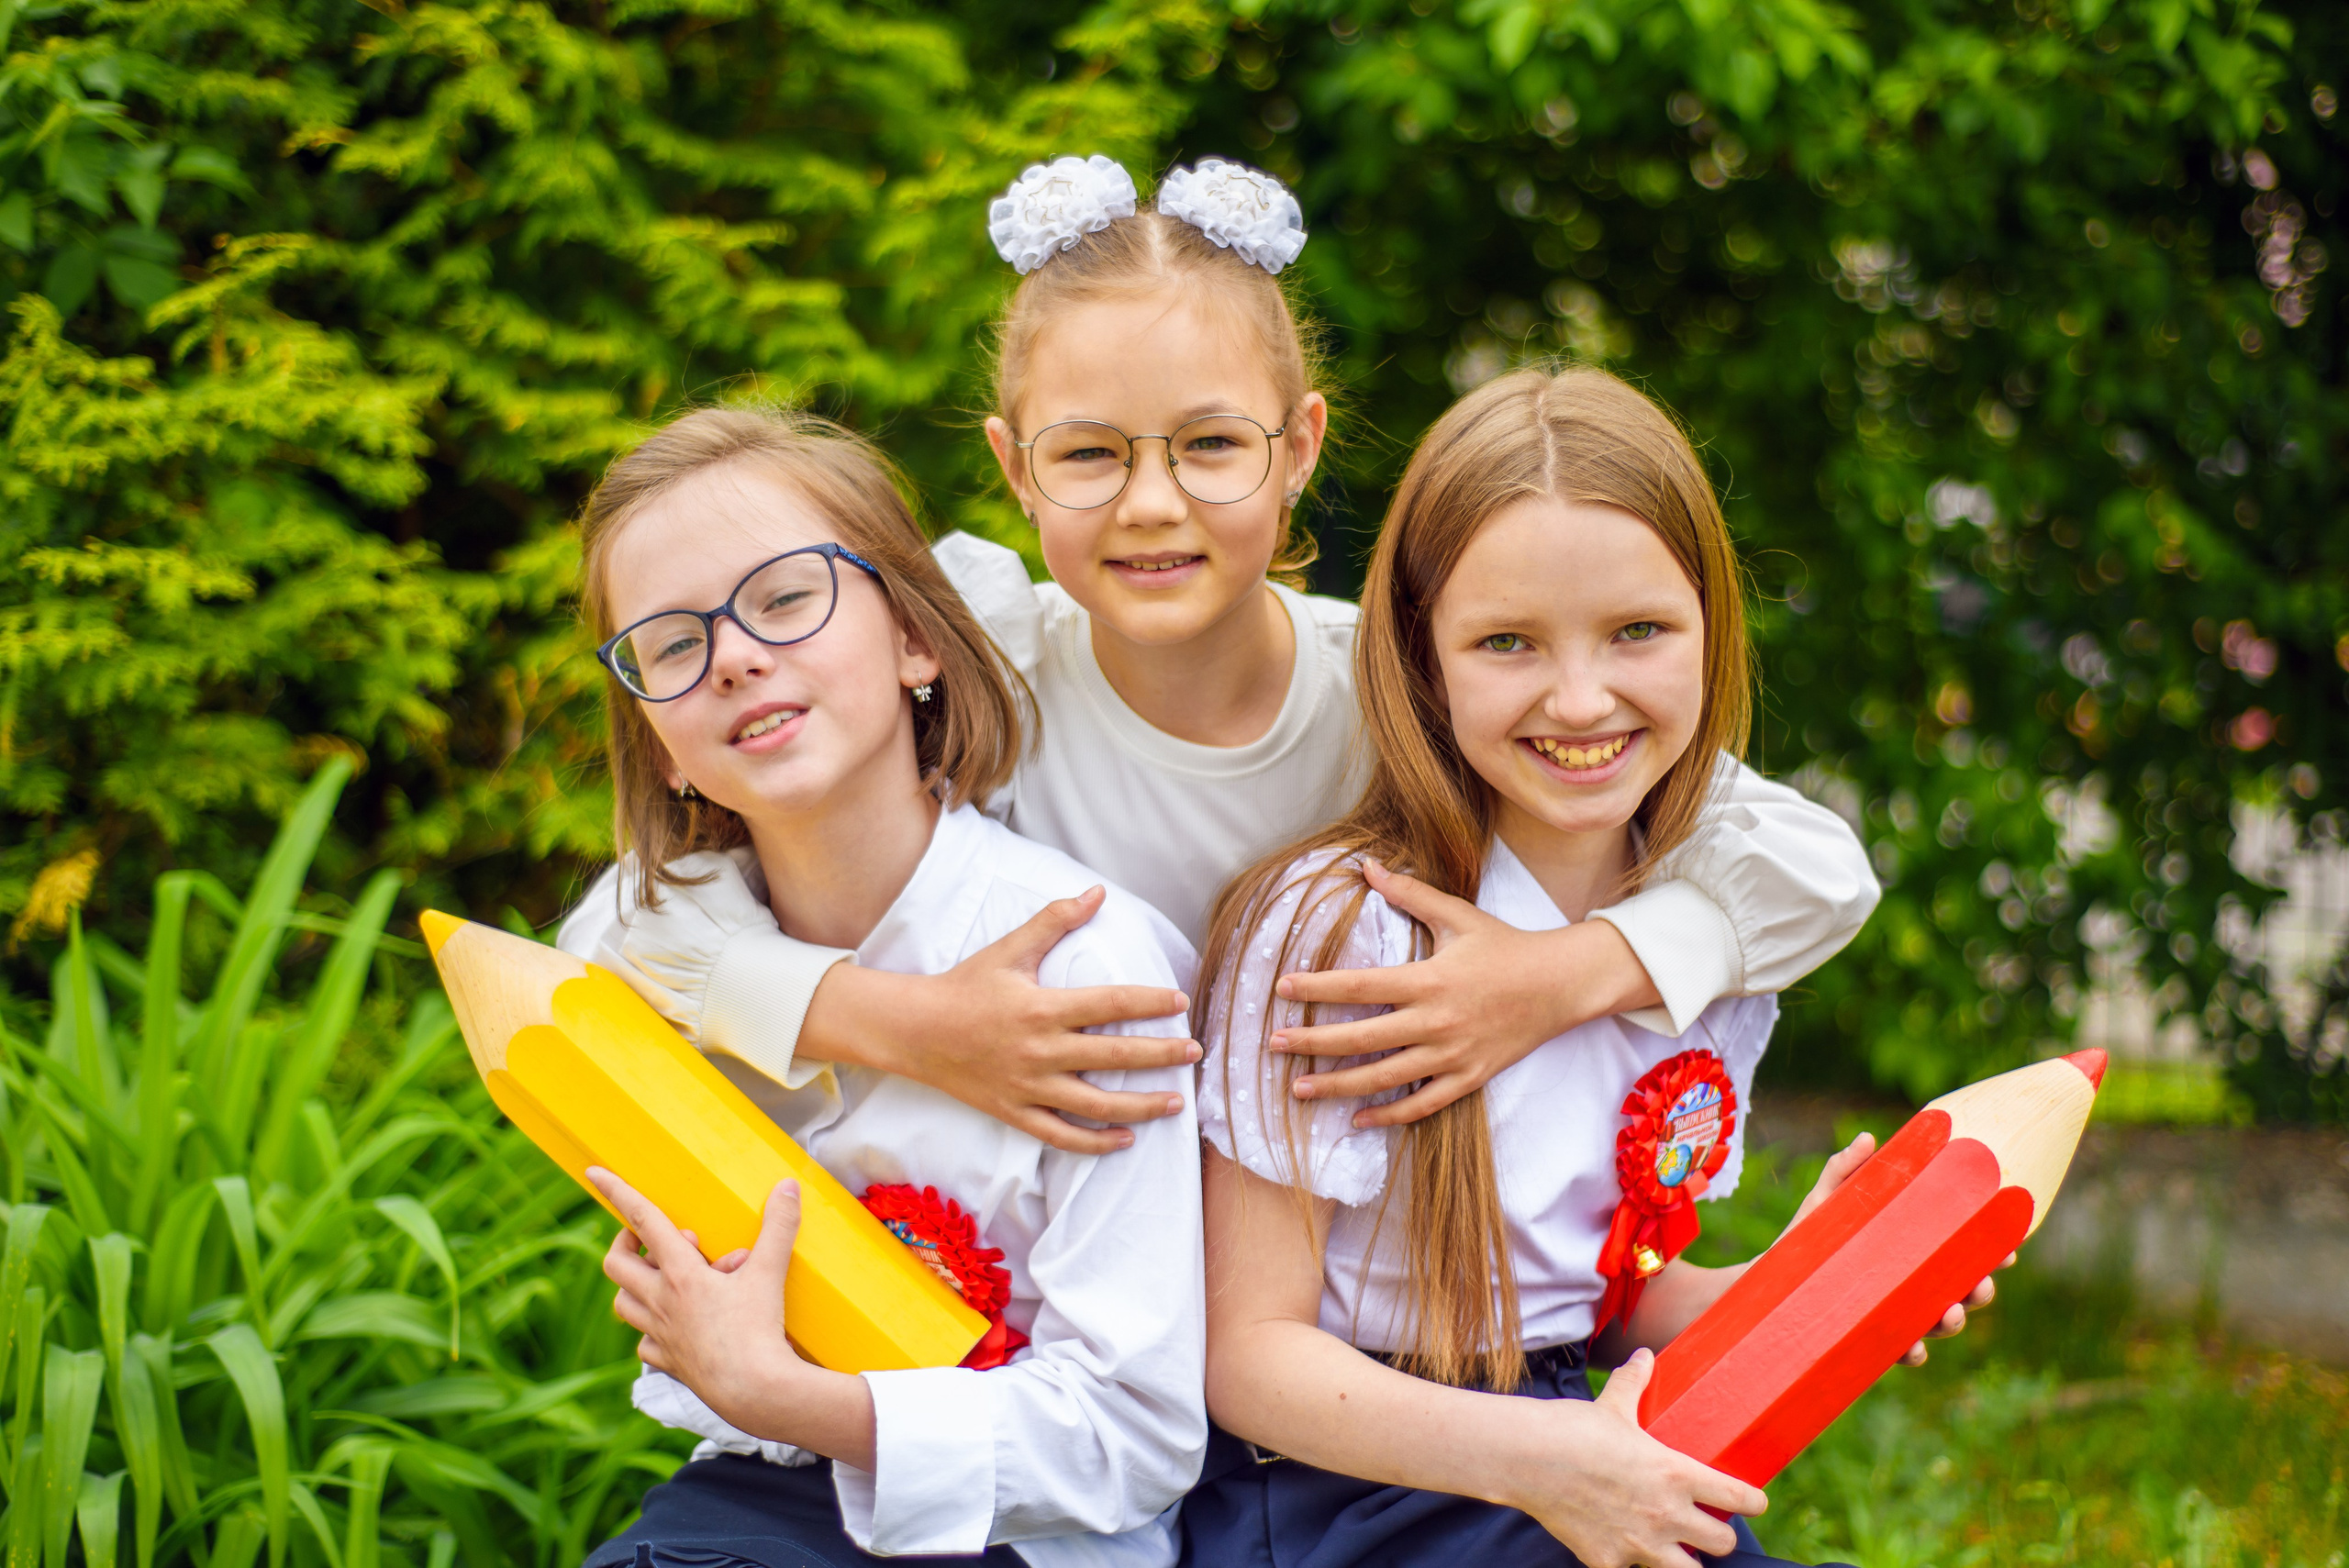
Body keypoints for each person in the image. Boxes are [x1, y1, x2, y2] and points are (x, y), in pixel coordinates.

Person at [559, 153, 1880, 1161]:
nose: (1151, 504)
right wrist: (900, 1025)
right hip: (1067, 1267)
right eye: (1090, 453)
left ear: (1299, 448)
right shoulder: (990, 669)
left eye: (1209, 444)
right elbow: (620, 932)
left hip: (1342, 1288)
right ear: (1014, 469)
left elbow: (1812, 870)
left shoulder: (1397, 691)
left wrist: (1552, 978)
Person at [1187, 365, 1993, 1568]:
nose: (1581, 696)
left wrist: (1810, 1281)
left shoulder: (1696, 936)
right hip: (1339, 1492)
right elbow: (1251, 1357)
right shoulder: (1333, 929)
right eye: (1508, 641)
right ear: (1424, 655)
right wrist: (1548, 1462)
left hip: (1563, 1447)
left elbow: (1601, 1311)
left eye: (1639, 632)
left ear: (1713, 627)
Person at [569, 408, 1203, 1568]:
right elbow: (582, 954)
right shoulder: (659, 944)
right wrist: (900, 1022)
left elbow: (1133, 1435)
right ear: (662, 740)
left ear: (917, 639)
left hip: (1029, 1533)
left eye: (783, 598)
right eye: (670, 645)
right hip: (752, 1504)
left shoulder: (1083, 965)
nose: (735, 655)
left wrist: (776, 1390)